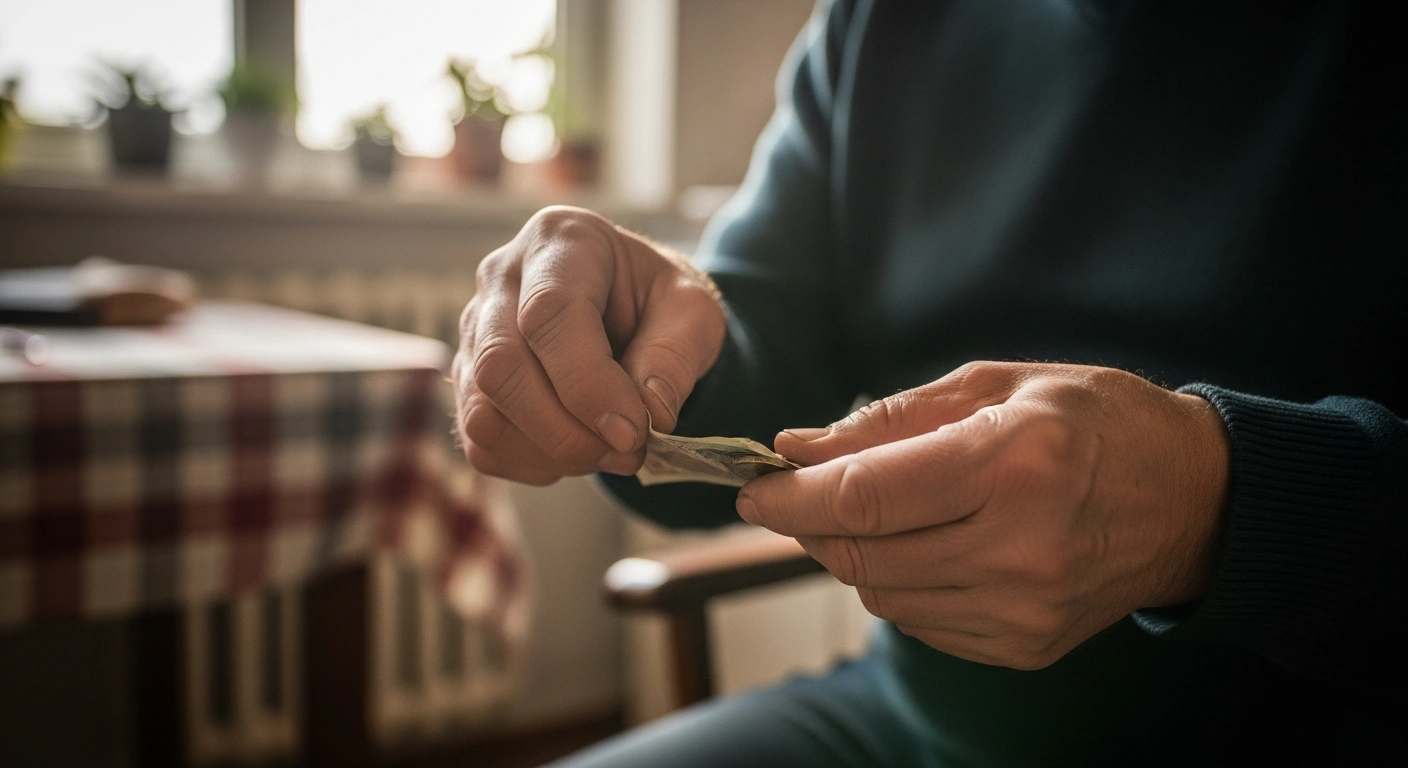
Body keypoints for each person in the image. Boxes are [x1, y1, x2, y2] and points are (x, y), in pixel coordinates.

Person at [453, 1, 1406, 764]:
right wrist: (637, 353)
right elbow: (765, 350)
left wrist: (1222, 506)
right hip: (907, 725)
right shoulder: (880, 23)